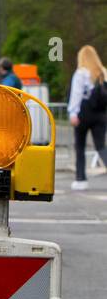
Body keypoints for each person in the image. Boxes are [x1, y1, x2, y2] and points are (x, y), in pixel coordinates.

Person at [68, 44, 107, 192]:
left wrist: (73, 113)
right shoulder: (103, 72)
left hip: (84, 113)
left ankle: (81, 179)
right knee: (101, 147)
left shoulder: (81, 73)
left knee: (80, 146)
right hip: (101, 114)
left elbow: (76, 94)